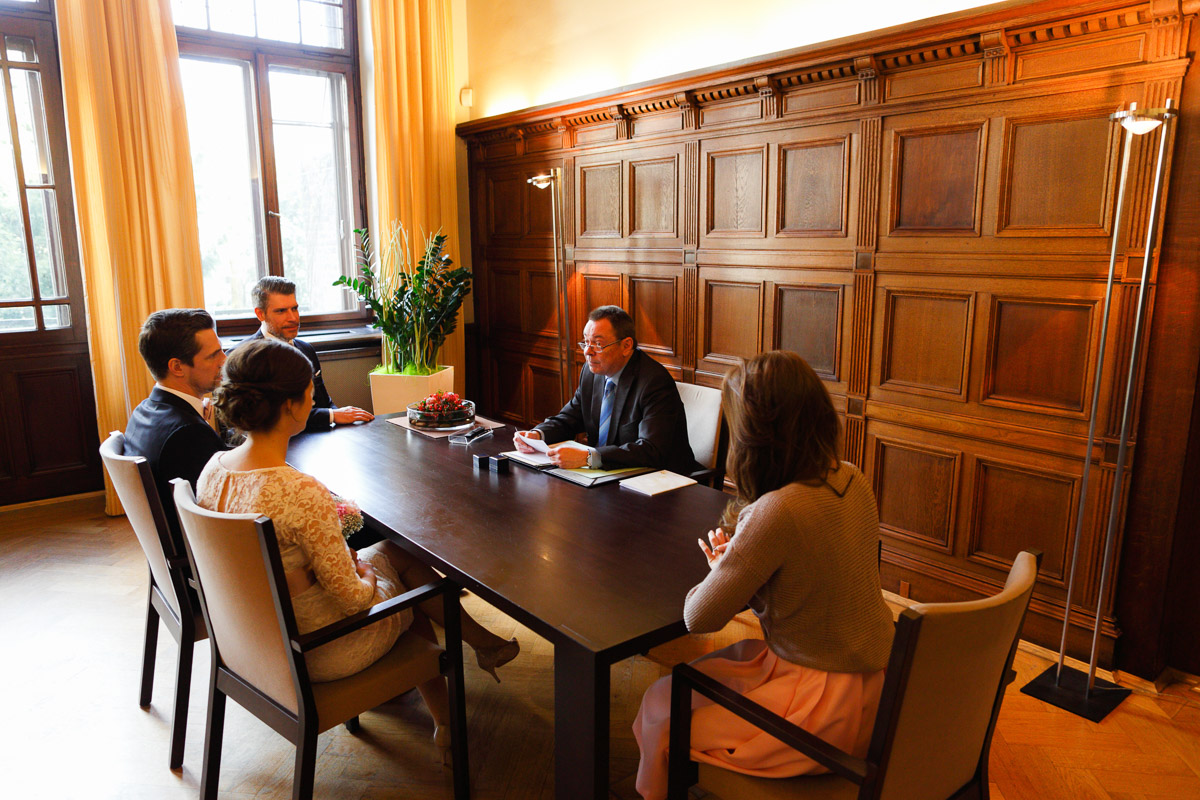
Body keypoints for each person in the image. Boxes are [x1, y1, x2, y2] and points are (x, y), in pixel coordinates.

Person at [195, 339, 518, 757]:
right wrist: (364, 572)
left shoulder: (213, 471)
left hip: (254, 640)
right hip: (320, 648)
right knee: (414, 588)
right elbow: (351, 601)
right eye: (310, 389)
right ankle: (451, 711)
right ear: (293, 405)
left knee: (400, 556)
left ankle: (470, 674)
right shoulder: (298, 491)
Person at [631, 351, 894, 800]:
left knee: (660, 708)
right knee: (709, 677)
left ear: (755, 435)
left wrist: (724, 569)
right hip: (879, 692)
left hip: (818, 711)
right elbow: (817, 581)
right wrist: (749, 571)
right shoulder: (853, 479)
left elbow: (699, 617)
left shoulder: (777, 510)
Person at [514, 305, 695, 475]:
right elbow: (570, 418)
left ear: (626, 345)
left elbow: (650, 450)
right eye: (586, 342)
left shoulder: (654, 382)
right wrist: (537, 435)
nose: (587, 352)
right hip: (607, 477)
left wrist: (588, 456)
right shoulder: (592, 372)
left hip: (658, 482)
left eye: (598, 344)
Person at [124, 308, 228, 550]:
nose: (224, 359)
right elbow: (222, 508)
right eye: (213, 355)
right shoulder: (188, 434)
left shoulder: (144, 411)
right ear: (177, 367)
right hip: (206, 561)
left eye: (221, 350)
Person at [242, 276, 374, 432]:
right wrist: (332, 415)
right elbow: (272, 417)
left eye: (295, 308)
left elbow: (325, 403)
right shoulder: (245, 358)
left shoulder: (306, 349)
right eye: (281, 311)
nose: (293, 318)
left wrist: (344, 420)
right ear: (260, 314)